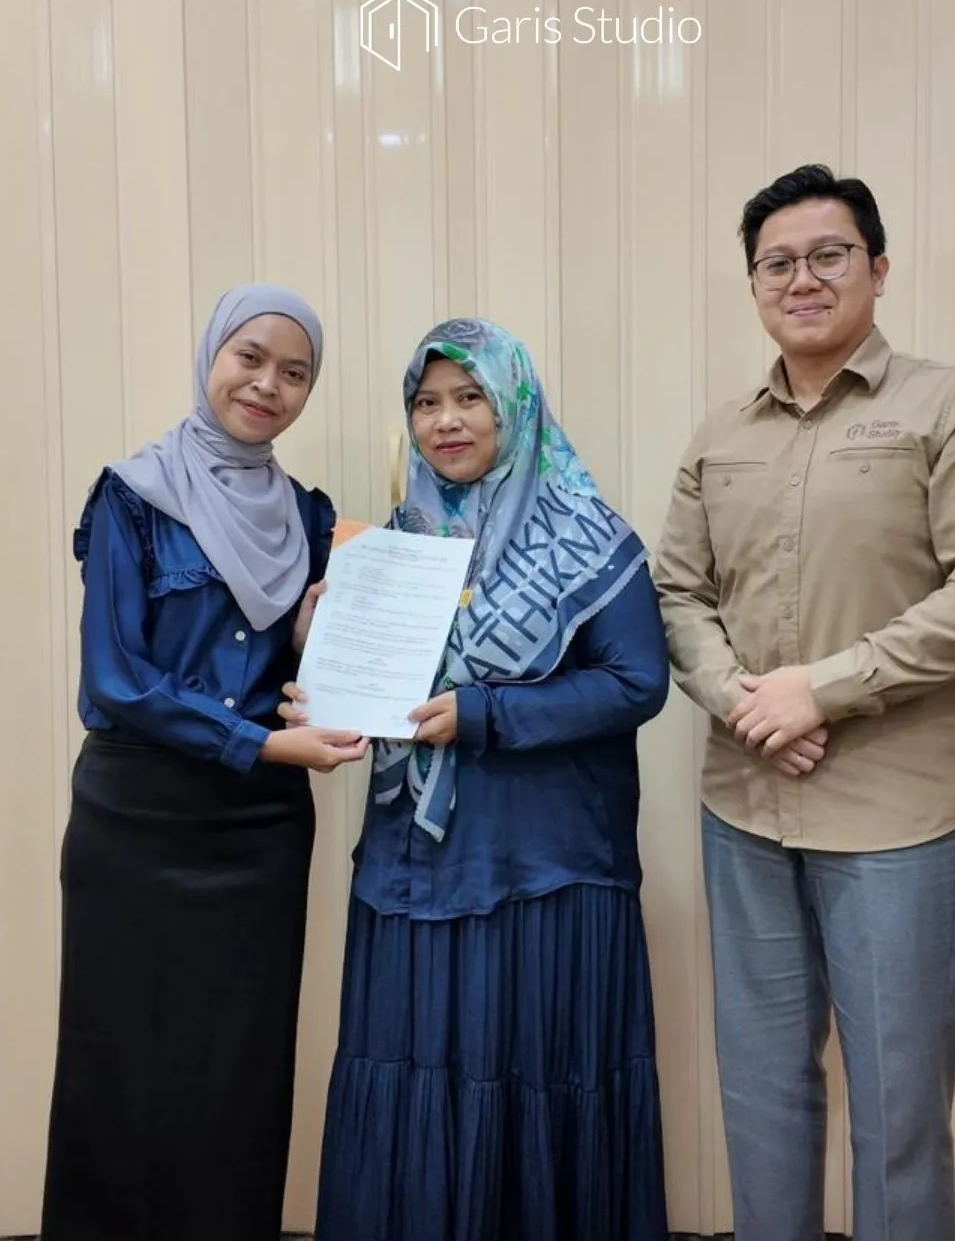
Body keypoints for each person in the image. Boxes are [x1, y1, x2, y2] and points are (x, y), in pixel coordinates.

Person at [652, 165, 955, 1241]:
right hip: (743, 811)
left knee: (898, 1108)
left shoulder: (954, 406)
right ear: (753, 285)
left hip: (893, 822)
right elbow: (678, 592)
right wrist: (741, 700)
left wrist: (821, 690)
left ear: (877, 268)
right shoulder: (720, 434)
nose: (802, 278)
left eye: (828, 255)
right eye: (776, 263)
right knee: (761, 1094)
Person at [281, 318, 671, 1241]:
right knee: (413, 1080)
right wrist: (316, 650)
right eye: (426, 403)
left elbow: (637, 682)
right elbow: (367, 690)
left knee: (534, 1078)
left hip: (545, 870)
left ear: (515, 406)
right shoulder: (392, 548)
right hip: (413, 870)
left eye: (470, 398)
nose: (446, 421)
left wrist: (488, 713)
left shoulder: (588, 536)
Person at [40, 285, 370, 1241]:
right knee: (118, 1068)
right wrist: (260, 742)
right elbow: (116, 679)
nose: (268, 385)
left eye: (295, 372)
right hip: (135, 820)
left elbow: (285, 670)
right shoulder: (132, 496)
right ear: (211, 357)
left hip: (258, 829)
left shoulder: (307, 515)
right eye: (249, 358)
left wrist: (313, 642)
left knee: (237, 1073)